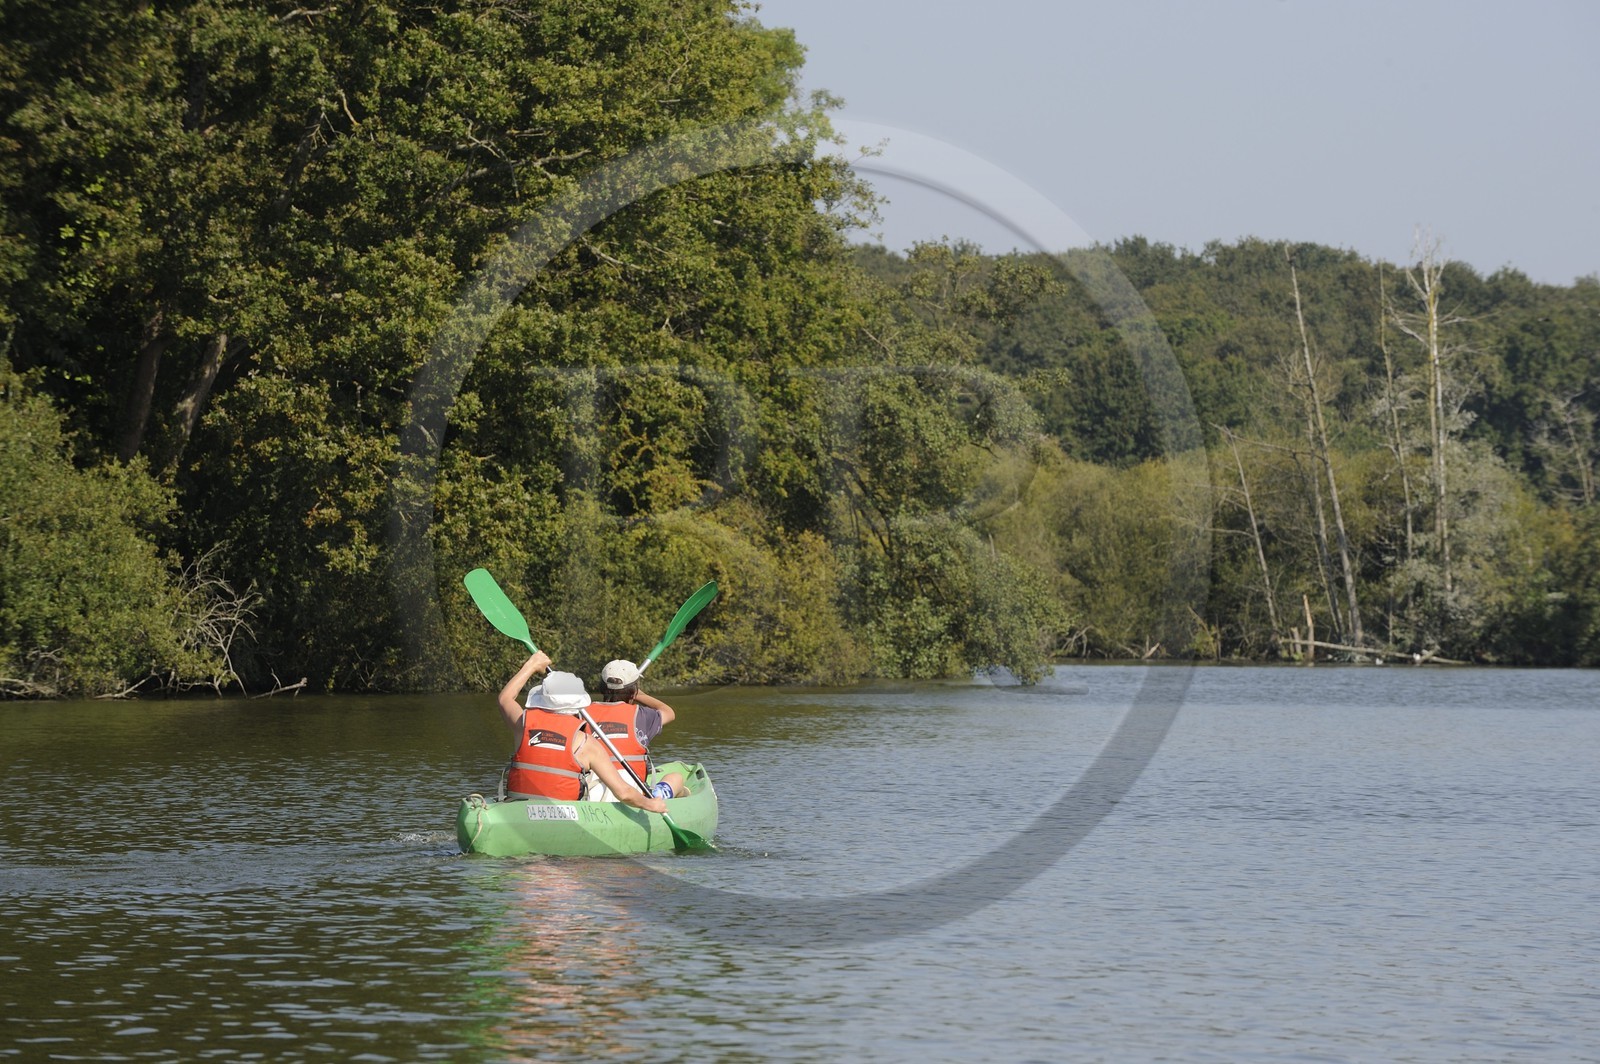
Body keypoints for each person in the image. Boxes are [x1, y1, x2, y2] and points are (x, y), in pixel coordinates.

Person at [495, 652, 667, 813]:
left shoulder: (522, 724)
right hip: (563, 815)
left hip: (518, 808)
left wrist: (531, 665)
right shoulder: (587, 743)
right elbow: (623, 793)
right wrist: (650, 804)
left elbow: (505, 698)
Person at [577, 658, 687, 802]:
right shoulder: (642, 715)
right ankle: (659, 798)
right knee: (676, 778)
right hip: (634, 793)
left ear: (601, 688)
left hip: (592, 792)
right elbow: (668, 712)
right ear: (634, 692)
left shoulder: (582, 714)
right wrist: (639, 694)